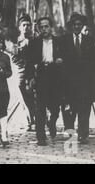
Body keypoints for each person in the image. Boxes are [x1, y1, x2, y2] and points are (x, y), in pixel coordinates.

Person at [61, 13, 95, 144]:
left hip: (85, 82)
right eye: (74, 24)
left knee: (84, 108)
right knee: (69, 109)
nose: (77, 26)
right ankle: (70, 132)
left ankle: (83, 134)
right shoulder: (64, 40)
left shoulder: (89, 40)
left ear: (82, 26)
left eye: (79, 24)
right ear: (71, 26)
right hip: (68, 82)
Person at [29, 17, 64, 146]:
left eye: (46, 26)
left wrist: (61, 60)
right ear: (39, 28)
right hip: (41, 75)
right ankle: (41, 137)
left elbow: (65, 57)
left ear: (51, 27)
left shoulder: (59, 41)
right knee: (40, 108)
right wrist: (31, 77)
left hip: (55, 76)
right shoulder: (34, 42)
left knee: (55, 107)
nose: (44, 29)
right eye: (41, 27)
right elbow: (29, 62)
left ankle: (52, 122)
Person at [13, 14, 36, 132]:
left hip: (33, 72)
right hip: (20, 72)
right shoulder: (16, 41)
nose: (26, 27)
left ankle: (34, 117)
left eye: (28, 25)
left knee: (32, 96)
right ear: (20, 27)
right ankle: (27, 120)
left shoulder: (35, 40)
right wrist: (22, 63)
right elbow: (13, 57)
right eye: (24, 25)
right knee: (22, 96)